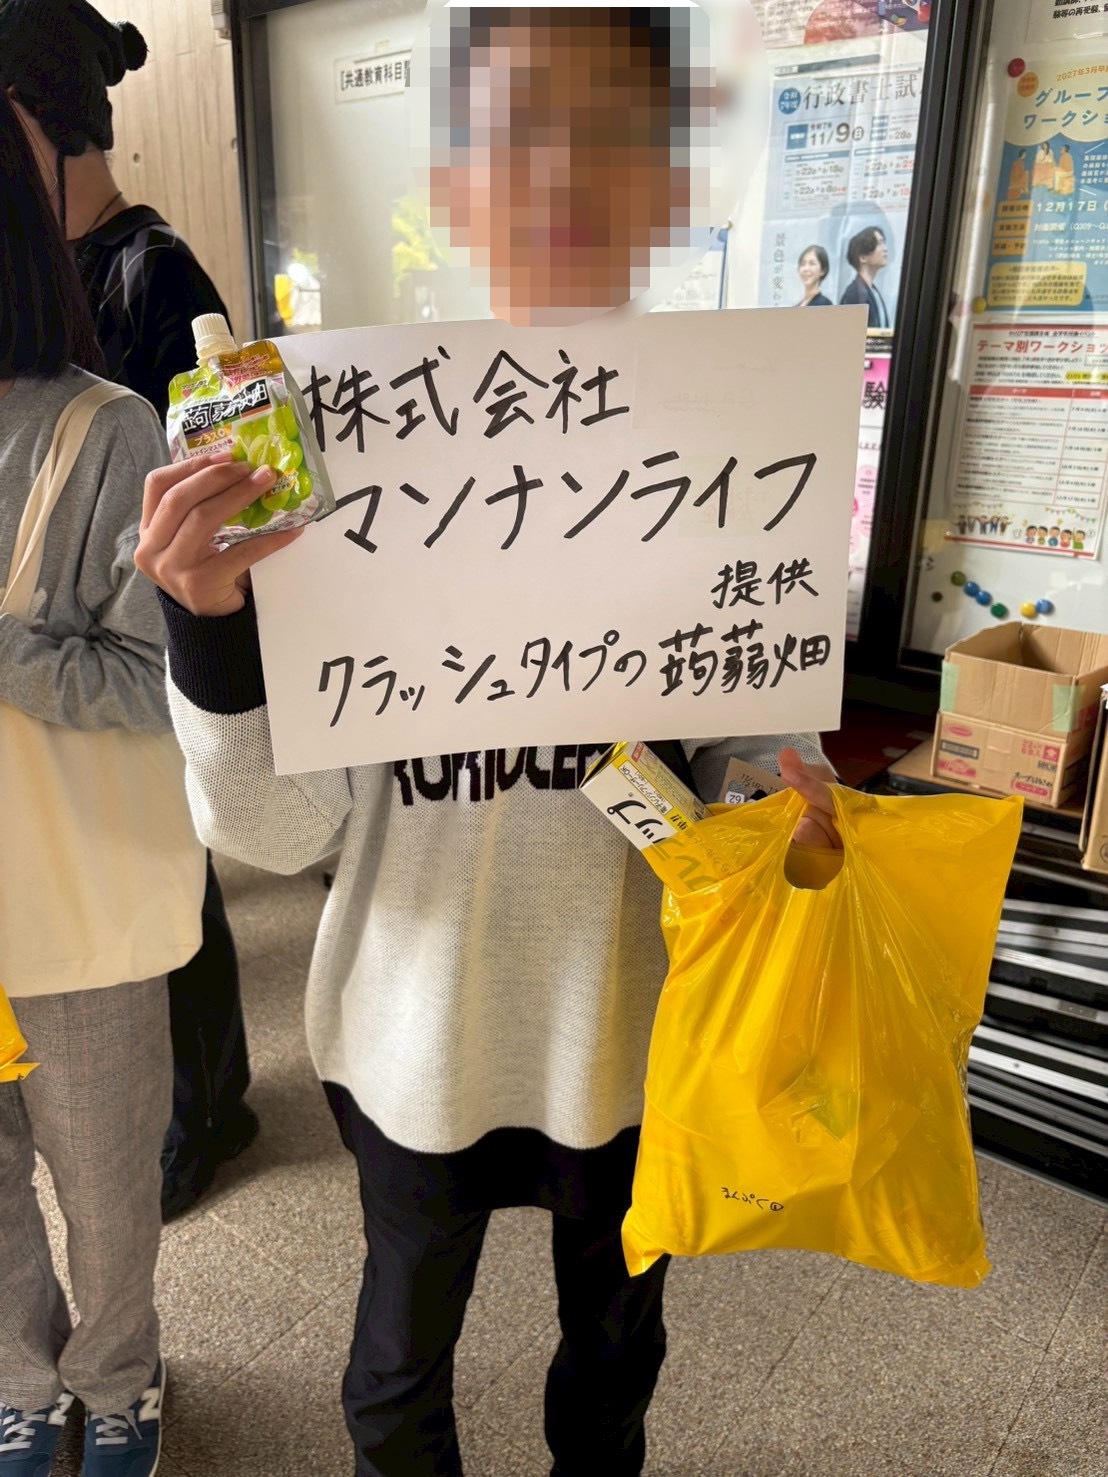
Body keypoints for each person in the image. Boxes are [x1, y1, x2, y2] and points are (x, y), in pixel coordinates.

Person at [135, 11, 842, 1476]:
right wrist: (210, 628)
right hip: (416, 1024)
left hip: (630, 1022)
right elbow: (277, 830)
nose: (562, 177)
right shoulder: (341, 454)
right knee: (394, 1377)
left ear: (670, 180)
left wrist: (803, 833)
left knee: (614, 1362)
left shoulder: (738, 442)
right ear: (454, 186)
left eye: (610, 137)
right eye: (519, 139)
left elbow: (759, 772)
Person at [0, 0, 258, 1221]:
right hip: (59, 683)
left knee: (170, 882)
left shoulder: (152, 271)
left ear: (42, 125)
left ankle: (206, 1112)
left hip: (147, 646)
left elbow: (209, 480)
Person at [0, 88, 177, 1477]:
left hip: (77, 895)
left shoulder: (107, 429)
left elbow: (157, 684)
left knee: (107, 1177)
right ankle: (19, 1376)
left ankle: (118, 1380)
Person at [840, 226, 890, 328]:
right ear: (863, 257)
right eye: (879, 244)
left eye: (883, 243)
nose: (885, 249)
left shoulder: (872, 291)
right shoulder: (854, 293)